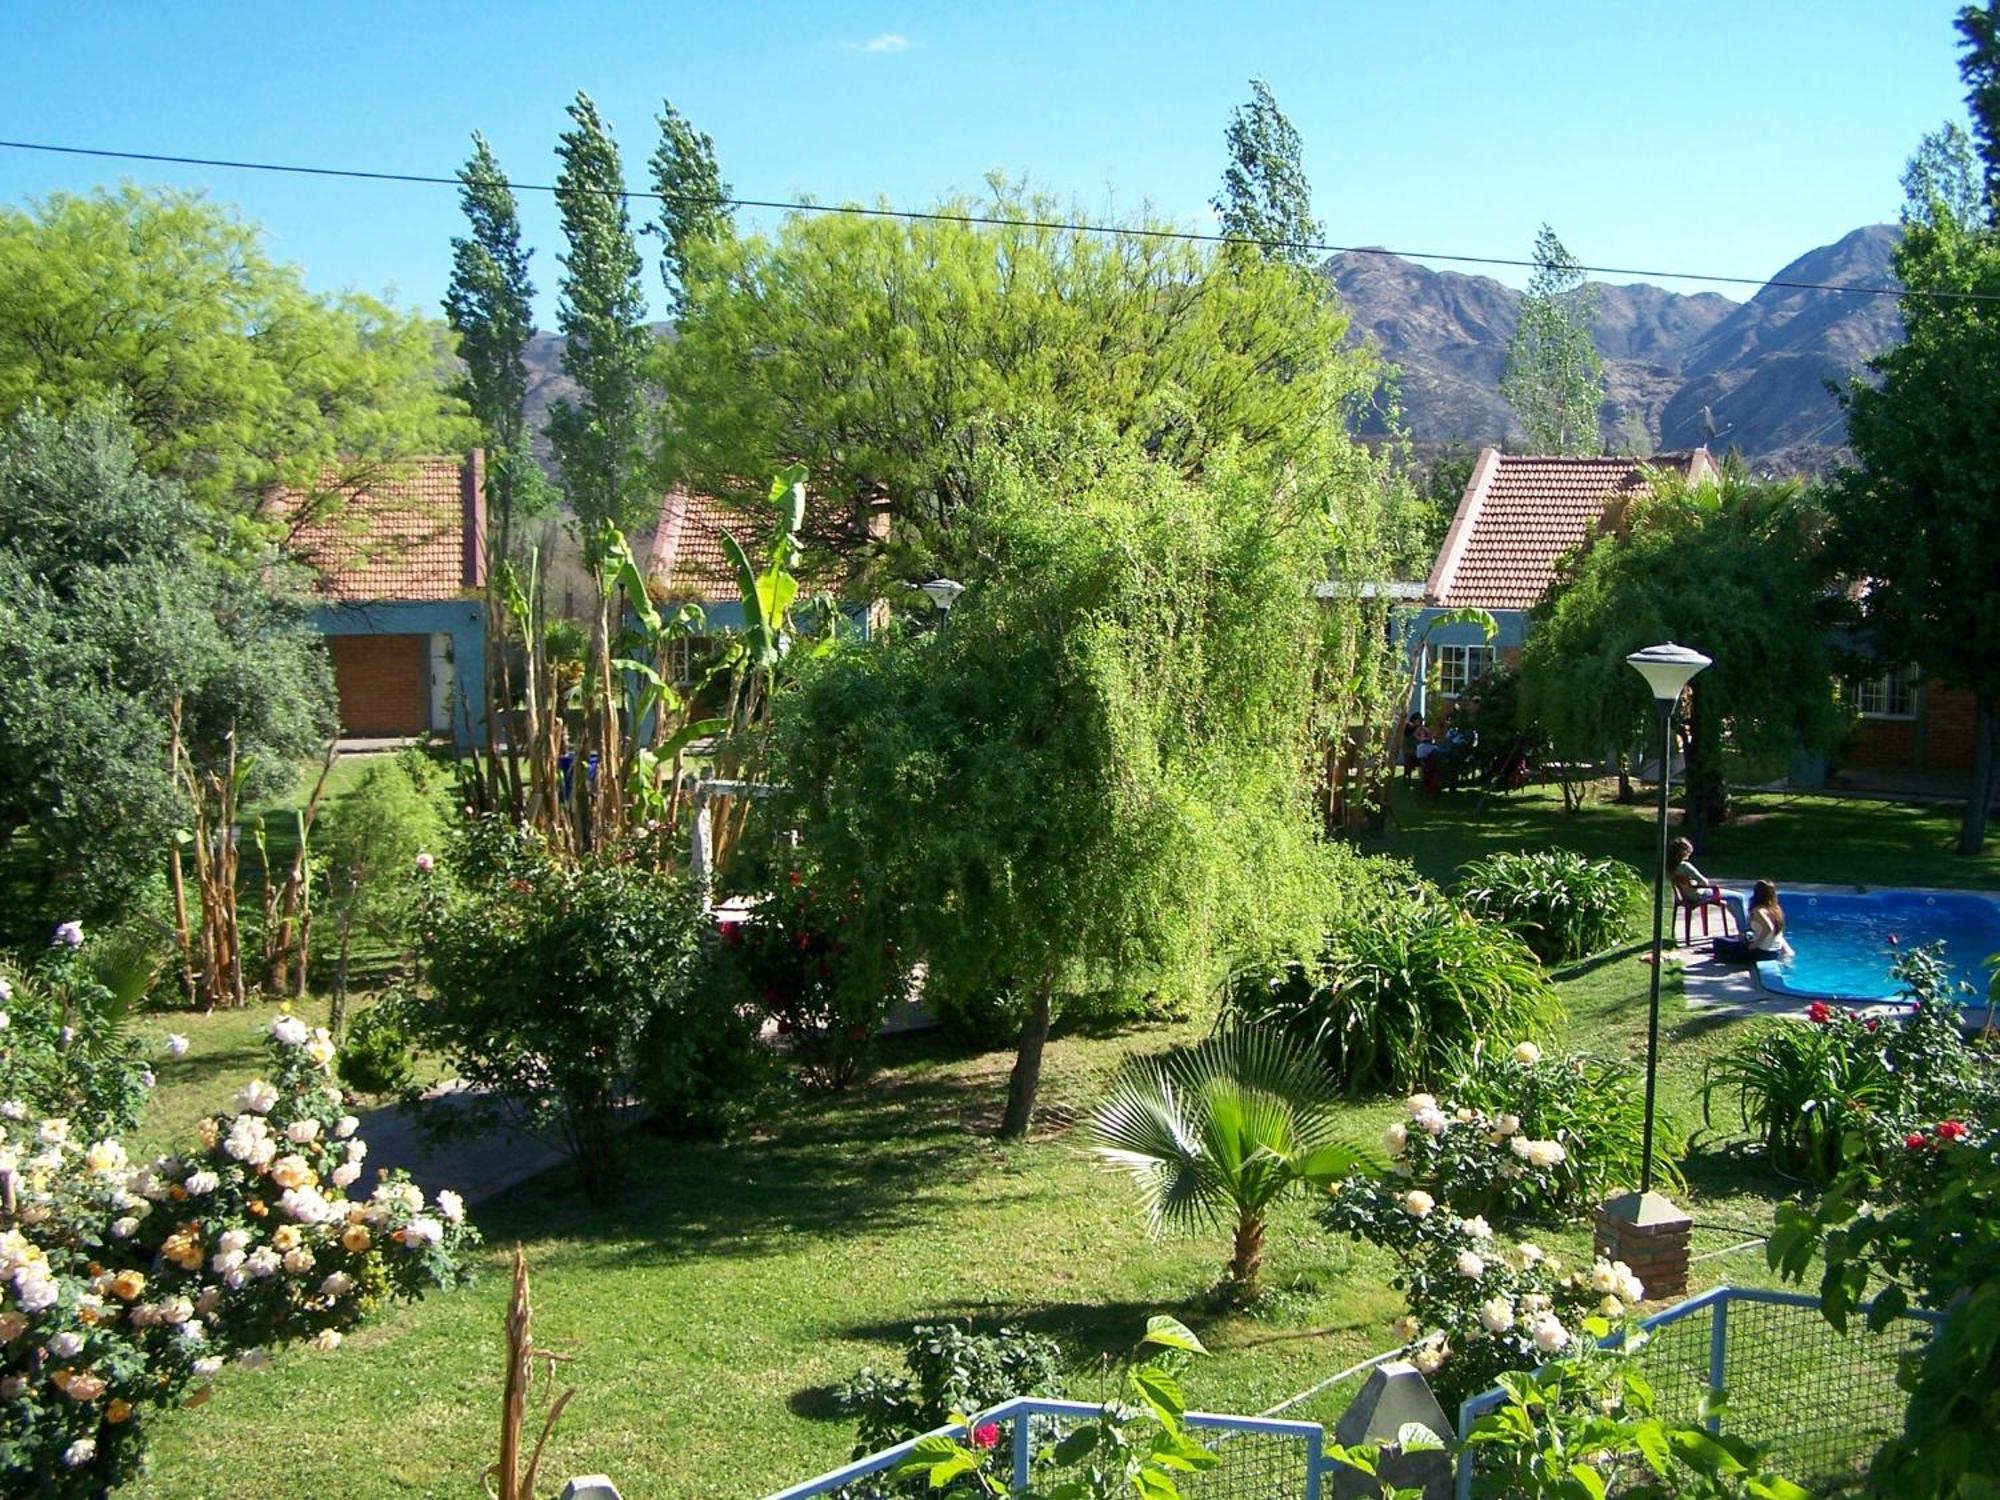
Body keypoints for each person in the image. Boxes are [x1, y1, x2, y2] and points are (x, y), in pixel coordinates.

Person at [1668, 837, 1734, 941]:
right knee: (1737, 897)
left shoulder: (1671, 867)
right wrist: (1697, 883)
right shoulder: (1685, 866)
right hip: (1698, 894)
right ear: (1683, 852)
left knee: (1730, 898)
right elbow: (1704, 882)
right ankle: (1744, 929)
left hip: (1685, 896)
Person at [1712, 880, 1788, 963]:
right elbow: (1776, 931)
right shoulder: (1776, 909)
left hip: (1760, 952)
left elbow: (1768, 928)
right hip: (1774, 952)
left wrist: (1754, 945)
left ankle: (1731, 960)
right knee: (1734, 939)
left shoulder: (1759, 910)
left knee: (1717, 941)